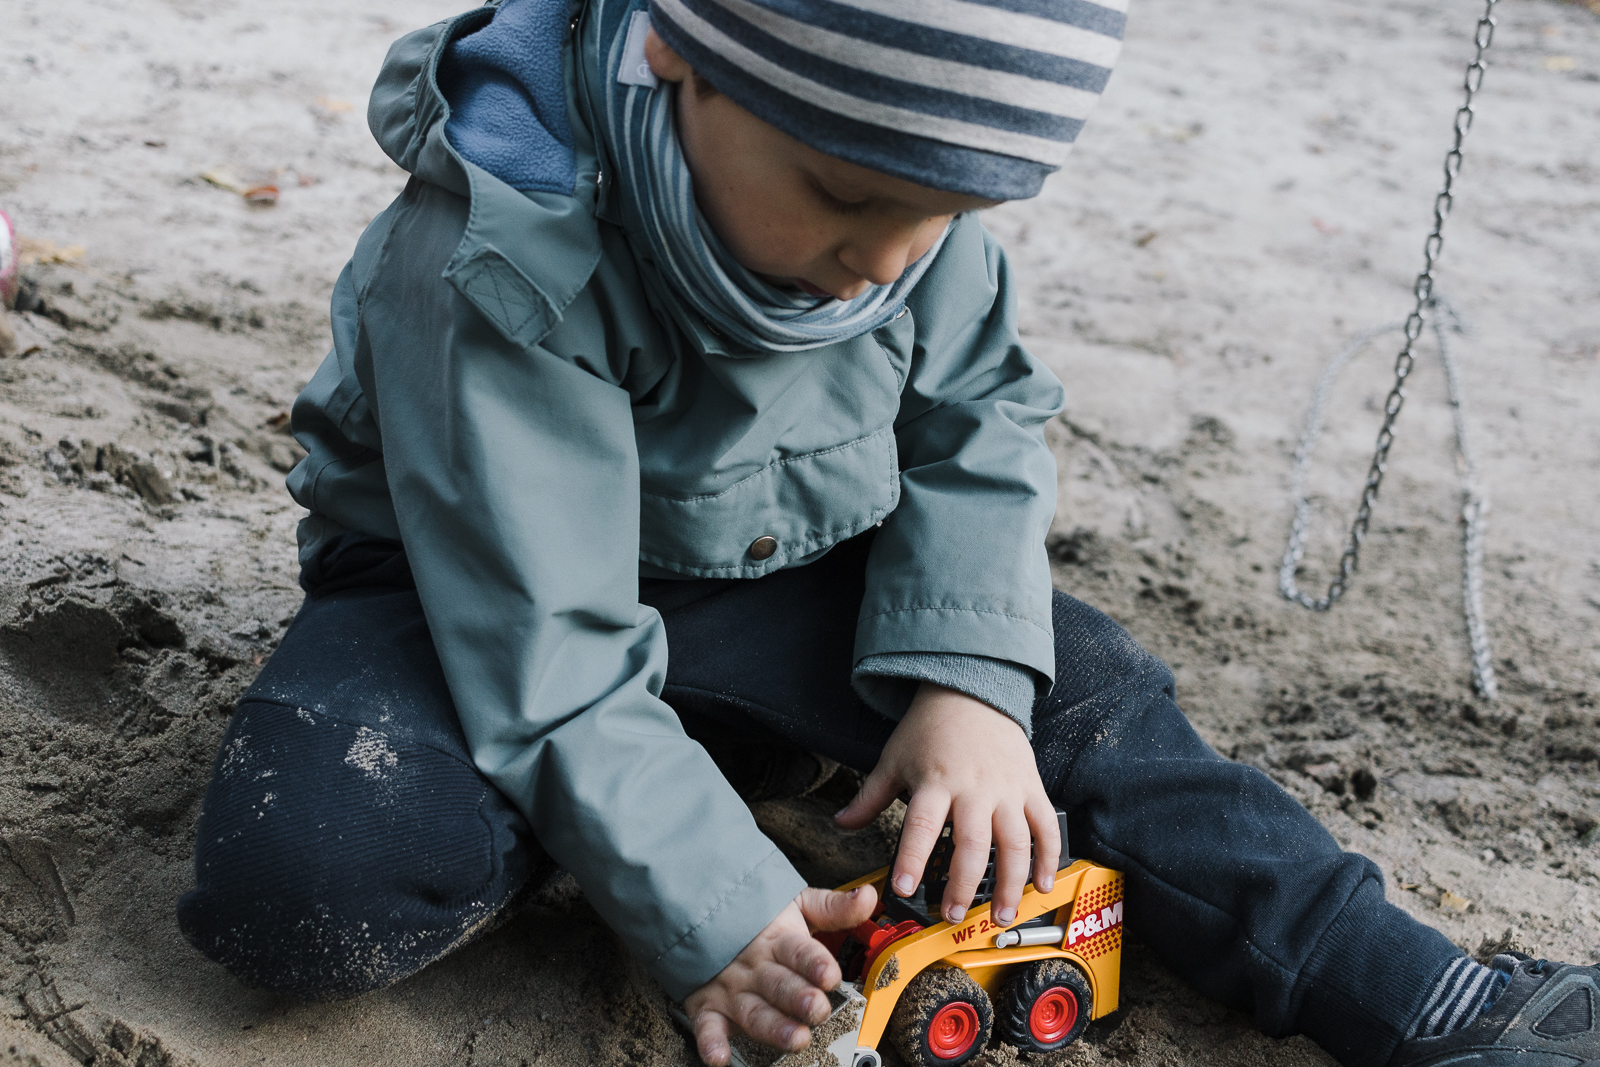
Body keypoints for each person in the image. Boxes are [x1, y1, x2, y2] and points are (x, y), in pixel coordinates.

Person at [174, 1, 1600, 1065]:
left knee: (1087, 700)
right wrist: (712, 903)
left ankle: (1428, 997)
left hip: (778, 571)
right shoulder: (506, 246)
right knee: (306, 876)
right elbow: (545, 647)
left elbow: (981, 419)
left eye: (947, 212)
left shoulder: (903, 201)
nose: (885, 259)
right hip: (466, 602)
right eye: (847, 197)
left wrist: (965, 684)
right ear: (679, 51)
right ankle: (644, 804)